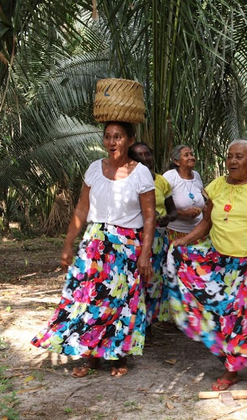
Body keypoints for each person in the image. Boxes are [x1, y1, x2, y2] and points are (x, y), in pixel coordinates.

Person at [31, 122, 156, 378]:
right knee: (88, 299)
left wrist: (145, 254)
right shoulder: (94, 169)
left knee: (120, 302)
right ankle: (89, 355)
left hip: (127, 246)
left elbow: (150, 217)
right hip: (95, 244)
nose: (112, 142)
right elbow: (81, 209)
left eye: (118, 137)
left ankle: (116, 355)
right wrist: (68, 244)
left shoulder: (141, 173)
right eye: (108, 137)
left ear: (130, 140)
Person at [166, 138, 247, 391]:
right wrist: (184, 241)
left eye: (239, 157)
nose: (232, 161)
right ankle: (232, 369)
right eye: (229, 156)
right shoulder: (217, 186)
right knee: (229, 315)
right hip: (222, 262)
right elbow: (207, 222)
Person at [129, 143, 177, 326]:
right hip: (135, 236)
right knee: (136, 280)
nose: (145, 158)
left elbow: (173, 211)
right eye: (139, 155)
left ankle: (148, 325)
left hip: (157, 238)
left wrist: (166, 218)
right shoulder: (127, 179)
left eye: (147, 154)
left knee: (154, 280)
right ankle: (136, 323)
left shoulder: (161, 181)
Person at [162, 145, 205, 241]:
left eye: (191, 154)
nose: (191, 157)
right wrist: (183, 213)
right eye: (186, 155)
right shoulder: (170, 176)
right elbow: (160, 204)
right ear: (176, 161)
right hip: (175, 232)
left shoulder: (196, 176)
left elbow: (203, 203)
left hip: (197, 233)